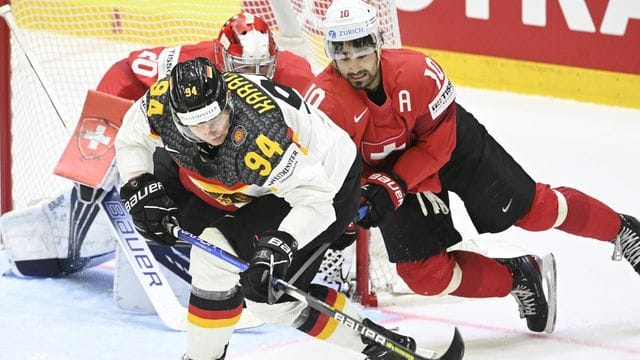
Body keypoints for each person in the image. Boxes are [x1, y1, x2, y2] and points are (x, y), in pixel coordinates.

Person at [303, 0, 640, 334]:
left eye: (361, 54)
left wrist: (392, 184)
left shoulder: (418, 72)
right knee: (424, 276)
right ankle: (520, 276)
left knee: (532, 210)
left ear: (377, 44)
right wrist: (348, 206)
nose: (354, 66)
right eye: (343, 56)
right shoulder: (324, 103)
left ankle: (621, 230)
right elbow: (335, 169)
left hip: (447, 149)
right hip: (386, 174)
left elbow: (439, 144)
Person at [115, 57, 415, 360]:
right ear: (176, 116)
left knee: (270, 302)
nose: (211, 130)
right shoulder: (160, 104)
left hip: (326, 182)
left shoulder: (260, 137)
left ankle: (381, 347)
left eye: (216, 117)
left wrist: (279, 244)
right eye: (198, 123)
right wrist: (138, 184)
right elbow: (130, 135)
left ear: (227, 99)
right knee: (211, 260)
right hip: (263, 183)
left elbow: (315, 199)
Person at [98, 11, 355, 294]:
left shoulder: (298, 77)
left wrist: (340, 213)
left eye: (262, 67)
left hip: (255, 188)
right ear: (221, 59)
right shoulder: (193, 65)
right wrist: (133, 177)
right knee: (155, 159)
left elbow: (330, 149)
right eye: (242, 68)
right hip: (198, 173)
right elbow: (126, 71)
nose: (254, 77)